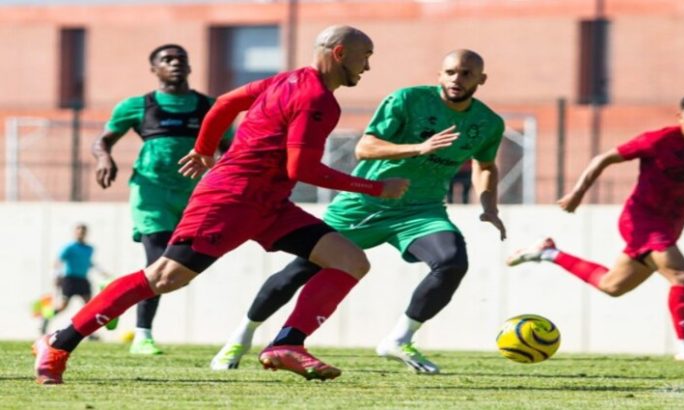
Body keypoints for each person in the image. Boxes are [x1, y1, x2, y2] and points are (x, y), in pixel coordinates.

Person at [33, 25, 409, 385]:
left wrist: (203, 147)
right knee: (165, 277)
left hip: (269, 203)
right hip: (232, 198)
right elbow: (302, 168)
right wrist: (374, 187)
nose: (368, 66)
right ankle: (58, 342)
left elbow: (227, 103)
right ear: (340, 53)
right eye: (365, 57)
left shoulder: (284, 80)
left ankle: (287, 344)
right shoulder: (317, 99)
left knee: (350, 260)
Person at [211, 49, 506, 375]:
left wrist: (489, 206)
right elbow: (365, 147)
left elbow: (486, 165)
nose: (457, 79)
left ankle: (400, 338)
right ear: (440, 75)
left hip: (421, 210)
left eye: (466, 74)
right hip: (363, 205)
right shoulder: (408, 100)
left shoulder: (488, 123)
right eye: (450, 72)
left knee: (452, 262)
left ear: (481, 79)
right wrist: (418, 148)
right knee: (300, 271)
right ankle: (241, 337)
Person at [506, 92, 684, 362]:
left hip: (672, 226)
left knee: (612, 286)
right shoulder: (660, 140)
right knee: (682, 276)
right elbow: (603, 158)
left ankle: (549, 252)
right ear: (680, 116)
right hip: (641, 220)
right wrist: (578, 193)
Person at [92, 44, 232, 355]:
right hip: (151, 192)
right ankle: (143, 336)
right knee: (158, 263)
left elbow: (230, 148)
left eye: (181, 59)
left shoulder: (209, 106)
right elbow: (103, 139)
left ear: (191, 67)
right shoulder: (138, 106)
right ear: (154, 69)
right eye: (166, 60)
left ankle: (115, 290)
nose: (175, 64)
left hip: (194, 196)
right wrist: (104, 158)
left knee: (177, 269)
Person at [40, 224, 108, 336]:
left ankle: (90, 333)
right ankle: (46, 319)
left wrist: (101, 272)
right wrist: (55, 276)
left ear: (86, 233)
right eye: (78, 231)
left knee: (90, 307)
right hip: (70, 279)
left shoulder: (89, 248)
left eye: (83, 231)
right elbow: (57, 262)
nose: (80, 233)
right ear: (74, 233)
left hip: (83, 280)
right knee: (63, 306)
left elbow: (88, 262)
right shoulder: (69, 248)